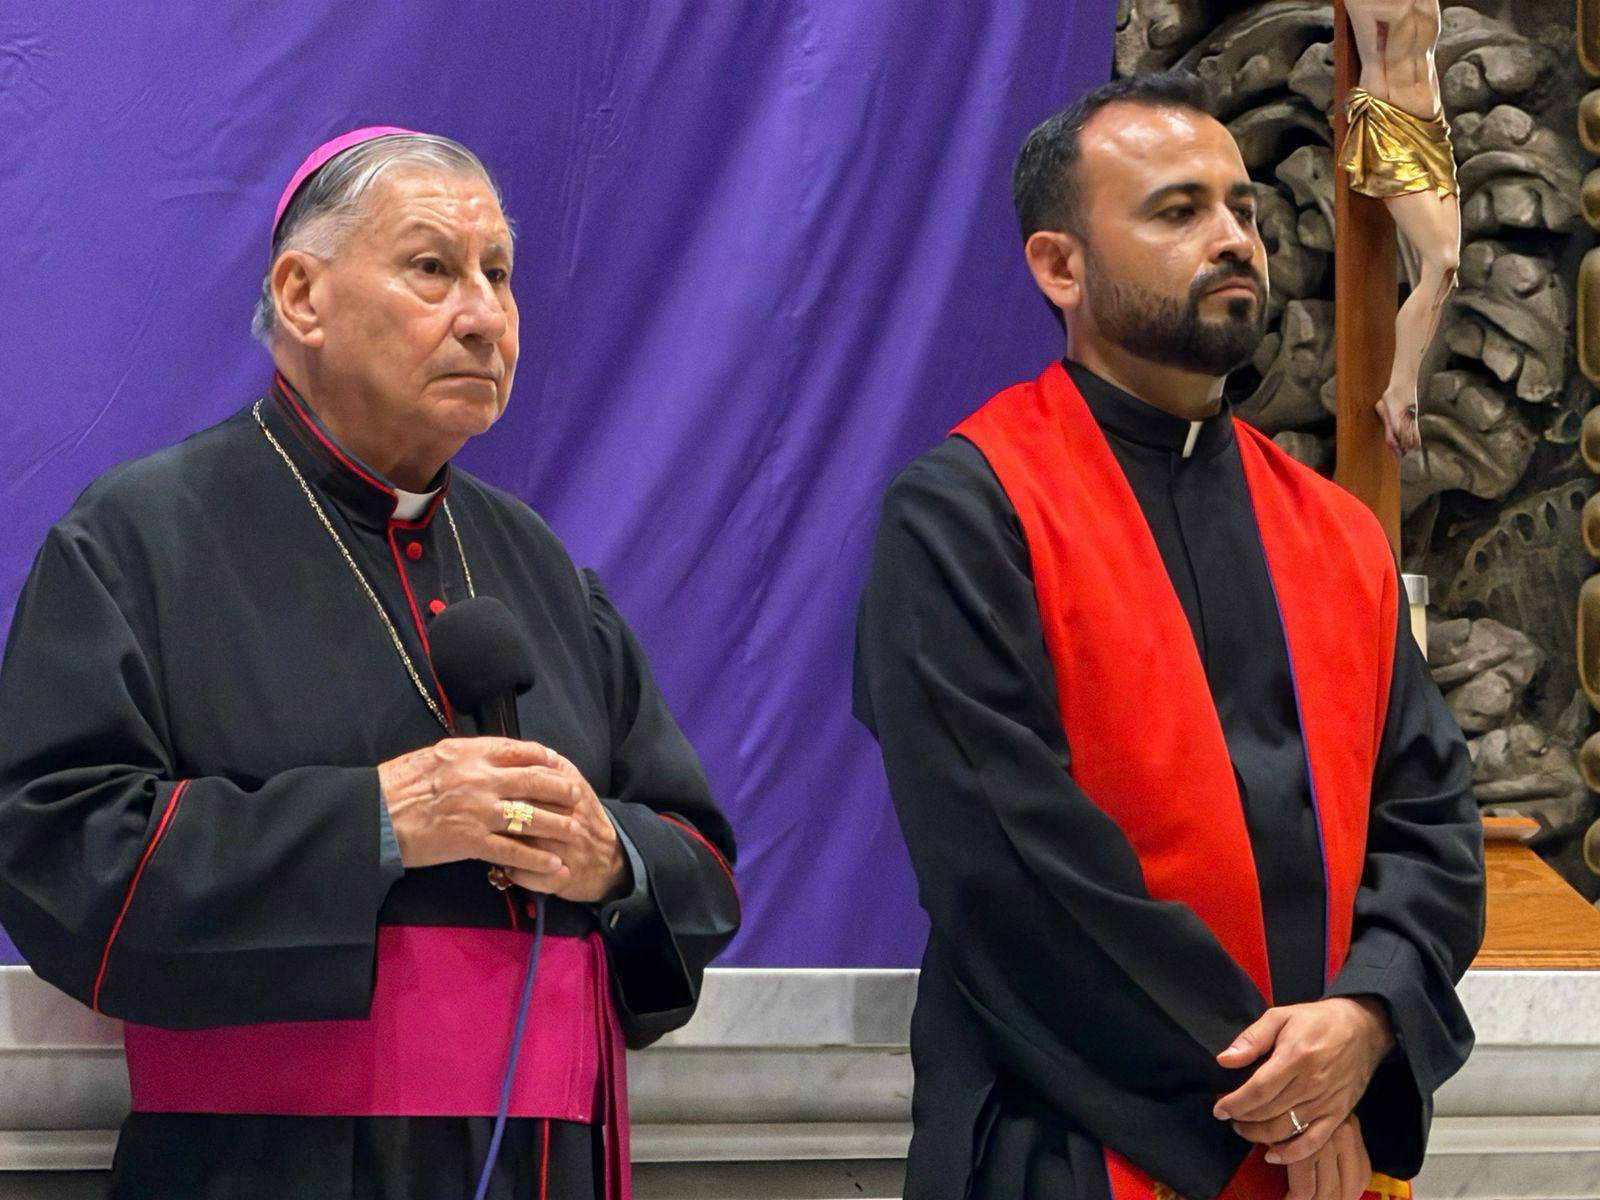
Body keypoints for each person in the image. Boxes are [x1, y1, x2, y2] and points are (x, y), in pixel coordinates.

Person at [0, 127, 740, 1200]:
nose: (484, 315)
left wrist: (611, 857)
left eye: (499, 275)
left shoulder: (534, 563)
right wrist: (377, 822)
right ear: (301, 294)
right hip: (267, 1171)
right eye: (433, 268)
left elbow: (699, 858)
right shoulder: (139, 540)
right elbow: (60, 850)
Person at [854, 73, 1483, 1200]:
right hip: (1072, 1140)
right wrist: (1280, 1097)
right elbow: (1011, 861)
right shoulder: (970, 507)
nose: (1234, 237)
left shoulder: (1333, 533)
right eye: (1176, 209)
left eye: (1240, 207)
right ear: (1059, 266)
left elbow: (1430, 819)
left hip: (1317, 1138)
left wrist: (1367, 1015)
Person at [1339, 0, 1460, 458]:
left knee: (1449, 272)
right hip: (1389, 129)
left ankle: (1403, 391)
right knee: (1441, 258)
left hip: (1433, 130)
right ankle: (1400, 391)